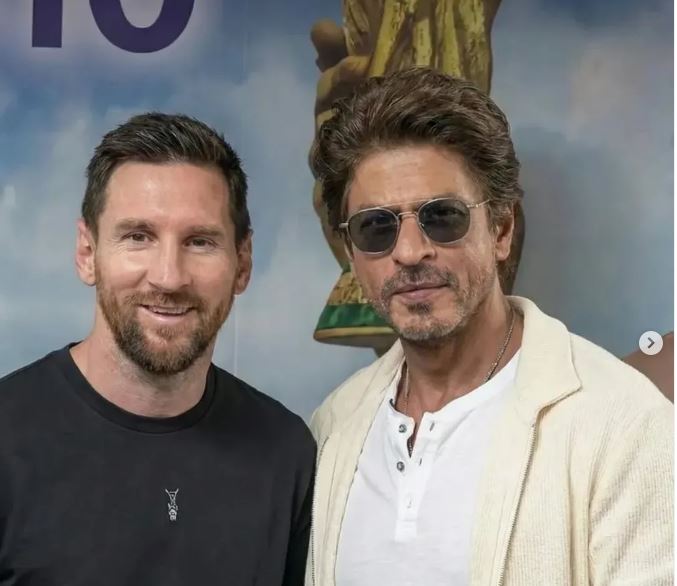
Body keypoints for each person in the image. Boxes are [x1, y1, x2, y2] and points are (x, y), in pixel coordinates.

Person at [306, 68, 672, 586]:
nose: (409, 252)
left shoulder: (625, 424)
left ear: (501, 230)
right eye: (376, 227)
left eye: (442, 217)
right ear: (351, 252)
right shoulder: (332, 427)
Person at [0, 113, 314, 586]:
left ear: (243, 263)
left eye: (200, 242)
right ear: (87, 253)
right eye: (138, 237)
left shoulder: (286, 453)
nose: (169, 277)